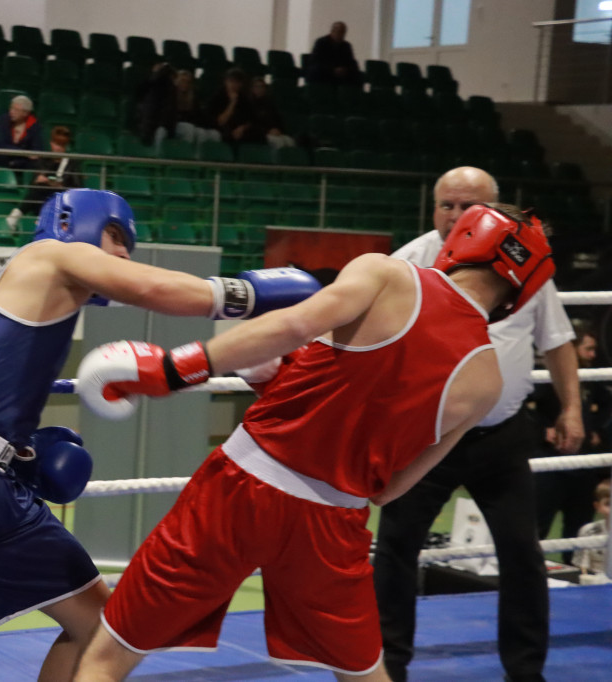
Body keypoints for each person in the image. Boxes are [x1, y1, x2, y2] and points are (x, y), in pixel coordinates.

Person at [0, 188, 320, 682]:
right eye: (115, 235)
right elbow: (157, 291)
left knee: (100, 628)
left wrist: (17, 452)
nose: (124, 252)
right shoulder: (49, 256)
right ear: (71, 223)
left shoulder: (21, 303)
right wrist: (253, 293)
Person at [72, 203, 555, 682]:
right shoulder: (486, 380)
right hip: (333, 524)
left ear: (465, 238)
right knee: (366, 676)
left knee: (107, 657)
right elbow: (388, 489)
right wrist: (295, 387)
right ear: (523, 288)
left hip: (242, 487)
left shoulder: (388, 276)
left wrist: (172, 371)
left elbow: (290, 327)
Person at [374, 167, 583, 682]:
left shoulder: (527, 264)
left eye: (468, 206)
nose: (456, 217)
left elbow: (556, 340)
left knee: (522, 551)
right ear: (433, 208)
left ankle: (526, 671)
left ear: (495, 210)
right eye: (447, 205)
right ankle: (387, 668)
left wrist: (572, 408)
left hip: (501, 434)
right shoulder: (407, 264)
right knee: (397, 548)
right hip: (424, 434)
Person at [534, 321, 609, 564]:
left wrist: (596, 430)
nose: (592, 354)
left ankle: (576, 574)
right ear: (571, 347)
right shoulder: (546, 377)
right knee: (538, 524)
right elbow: (521, 408)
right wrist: (541, 430)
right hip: (551, 462)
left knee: (580, 526)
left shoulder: (589, 376)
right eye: (587, 348)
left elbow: (605, 406)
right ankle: (527, 574)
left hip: (582, 463)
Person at [6, 126, 82, 229]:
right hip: (43, 196)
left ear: (66, 146)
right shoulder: (44, 160)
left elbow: (77, 187)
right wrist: (40, 180)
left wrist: (60, 185)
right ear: (51, 143)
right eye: (56, 144)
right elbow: (33, 184)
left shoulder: (72, 163)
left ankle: (18, 215)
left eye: (61, 145)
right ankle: (17, 216)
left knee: (43, 191)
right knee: (38, 189)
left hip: (62, 198)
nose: (58, 148)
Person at [205, 67, 259, 149]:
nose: (233, 85)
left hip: (240, 130)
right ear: (225, 82)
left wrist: (242, 128)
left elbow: (252, 119)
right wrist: (232, 103)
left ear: (241, 84)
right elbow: (220, 122)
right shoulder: (217, 97)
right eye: (231, 81)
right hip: (221, 130)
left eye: (237, 82)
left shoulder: (244, 99)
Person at [0, 94, 42, 171]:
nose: (11, 112)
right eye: (11, 108)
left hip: (22, 163)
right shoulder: (3, 120)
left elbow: (37, 150)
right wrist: (24, 153)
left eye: (16, 110)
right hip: (4, 159)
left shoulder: (34, 126)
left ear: (25, 113)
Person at [571, 479, 609, 577]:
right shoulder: (588, 531)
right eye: (608, 504)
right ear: (597, 506)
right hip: (595, 586)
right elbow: (582, 568)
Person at [306, 21, 362, 86]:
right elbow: (316, 61)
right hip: (325, 71)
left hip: (341, 73)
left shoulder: (346, 46)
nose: (340, 34)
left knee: (357, 76)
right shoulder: (321, 42)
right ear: (332, 31)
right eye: (338, 31)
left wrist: (345, 70)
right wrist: (332, 70)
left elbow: (352, 62)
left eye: (343, 32)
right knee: (316, 71)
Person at [249, 77, 295, 150]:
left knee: (289, 141)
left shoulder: (270, 104)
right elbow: (252, 124)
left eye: (262, 86)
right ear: (252, 89)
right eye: (257, 86)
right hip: (261, 135)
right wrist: (267, 131)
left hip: (275, 133)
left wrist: (278, 130)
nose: (259, 89)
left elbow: (278, 120)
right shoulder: (250, 105)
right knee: (278, 142)